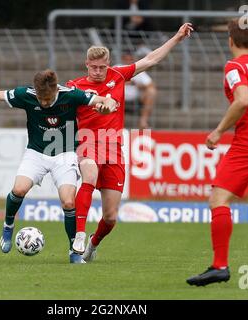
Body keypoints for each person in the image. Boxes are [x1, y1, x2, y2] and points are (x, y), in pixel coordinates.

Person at [0, 69, 118, 264]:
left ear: (55, 90)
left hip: (65, 154)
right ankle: (8, 225)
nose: (43, 102)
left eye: (48, 98)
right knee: (18, 189)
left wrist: (108, 107)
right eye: (41, 98)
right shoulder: (26, 95)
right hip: (36, 153)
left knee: (68, 202)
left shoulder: (71, 95)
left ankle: (73, 252)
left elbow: (106, 100)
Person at [66, 23, 193, 261]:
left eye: (102, 67)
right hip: (89, 142)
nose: (98, 72)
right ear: (86, 65)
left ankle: (93, 243)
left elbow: (151, 59)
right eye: (93, 68)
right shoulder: (75, 86)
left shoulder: (119, 75)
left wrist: (176, 37)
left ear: (109, 64)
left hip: (114, 149)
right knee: (89, 177)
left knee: (111, 216)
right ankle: (79, 236)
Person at [186, 19, 248, 287]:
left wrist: (218, 131)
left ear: (230, 40)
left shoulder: (234, 66)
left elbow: (242, 100)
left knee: (218, 198)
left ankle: (220, 266)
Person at [121, 51, 157, 129]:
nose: (128, 61)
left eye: (130, 59)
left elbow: (151, 85)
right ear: (122, 59)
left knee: (151, 92)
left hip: (135, 99)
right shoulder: (117, 68)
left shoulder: (137, 70)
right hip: (117, 98)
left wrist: (136, 84)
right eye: (126, 59)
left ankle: (143, 122)